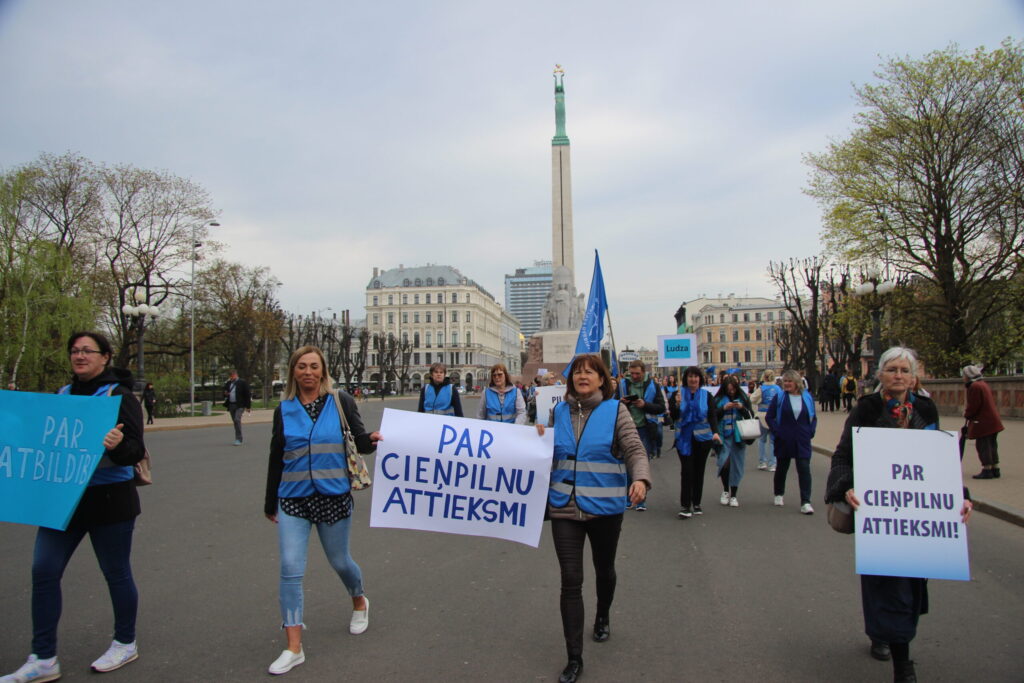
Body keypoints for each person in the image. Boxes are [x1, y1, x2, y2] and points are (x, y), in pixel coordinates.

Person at [2, 332, 146, 683]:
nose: (80, 356)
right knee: (44, 571)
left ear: (105, 357)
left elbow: (133, 452)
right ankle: (43, 657)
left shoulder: (119, 397)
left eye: (88, 351)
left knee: (116, 573)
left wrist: (117, 445)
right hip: (62, 502)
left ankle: (125, 642)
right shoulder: (62, 396)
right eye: (75, 351)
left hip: (110, 502)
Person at [826, 346, 974, 683]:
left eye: (904, 370)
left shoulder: (925, 407)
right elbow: (842, 456)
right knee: (886, 582)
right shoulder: (867, 409)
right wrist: (845, 487)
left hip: (916, 516)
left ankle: (886, 633)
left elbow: (940, 460)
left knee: (911, 583)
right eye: (891, 369)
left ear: (914, 376)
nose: (898, 376)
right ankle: (902, 664)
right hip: (878, 513)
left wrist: (960, 496)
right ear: (879, 375)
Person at [263, 346, 382, 676]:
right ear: (293, 371)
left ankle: (359, 600)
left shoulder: (341, 401)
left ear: (323, 371)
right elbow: (277, 455)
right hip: (293, 498)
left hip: (333, 495)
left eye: (314, 366)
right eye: (301, 366)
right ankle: (293, 646)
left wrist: (371, 439)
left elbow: (358, 439)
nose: (308, 372)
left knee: (340, 561)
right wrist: (270, 501)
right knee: (290, 567)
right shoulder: (283, 409)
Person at [535, 354, 650, 683]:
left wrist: (640, 479)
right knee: (570, 580)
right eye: (577, 373)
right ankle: (574, 658)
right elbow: (547, 451)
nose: (582, 376)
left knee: (605, 569)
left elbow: (634, 448)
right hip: (564, 506)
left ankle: (602, 614)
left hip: (604, 508)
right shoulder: (558, 411)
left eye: (590, 372)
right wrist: (538, 436)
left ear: (602, 379)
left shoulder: (616, 411)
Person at [671, 366, 720, 518]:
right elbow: (672, 417)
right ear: (685, 379)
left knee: (699, 471)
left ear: (700, 379)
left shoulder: (707, 396)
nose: (693, 379)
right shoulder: (677, 394)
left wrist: (715, 432)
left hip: (703, 439)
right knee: (687, 471)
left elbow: (712, 415)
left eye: (696, 376)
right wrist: (677, 404)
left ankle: (696, 502)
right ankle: (685, 505)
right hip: (684, 439)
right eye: (690, 377)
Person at [766, 369, 817, 514]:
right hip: (784, 438)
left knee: (804, 469)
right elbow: (770, 417)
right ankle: (779, 493)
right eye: (785, 381)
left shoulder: (807, 397)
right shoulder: (780, 397)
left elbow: (813, 417)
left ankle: (806, 501)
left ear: (797, 383)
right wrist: (777, 431)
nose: (787, 384)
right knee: (782, 467)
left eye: (789, 381)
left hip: (802, 438)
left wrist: (811, 431)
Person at [617, 361, 665, 511]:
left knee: (640, 463)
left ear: (644, 372)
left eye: (637, 373)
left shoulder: (653, 385)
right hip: (626, 428)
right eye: (632, 373)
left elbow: (661, 408)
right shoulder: (622, 385)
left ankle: (640, 499)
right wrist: (621, 403)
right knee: (625, 463)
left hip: (645, 428)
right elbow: (612, 404)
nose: (634, 376)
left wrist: (644, 405)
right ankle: (628, 497)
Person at [714, 375, 753, 507]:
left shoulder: (743, 398)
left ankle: (734, 494)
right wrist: (724, 408)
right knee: (724, 463)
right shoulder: (719, 399)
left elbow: (750, 415)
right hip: (723, 436)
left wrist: (741, 408)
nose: (731, 392)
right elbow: (712, 415)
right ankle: (725, 490)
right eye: (729, 389)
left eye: (733, 389)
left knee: (736, 465)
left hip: (738, 437)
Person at [961, 364, 1004, 479]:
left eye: (964, 375)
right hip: (992, 421)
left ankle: (987, 469)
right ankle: (995, 468)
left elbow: (974, 405)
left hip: (983, 422)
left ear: (968, 375)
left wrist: (967, 414)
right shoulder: (982, 384)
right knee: (992, 445)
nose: (963, 377)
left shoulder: (974, 386)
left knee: (983, 446)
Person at [750, 370, 780, 472]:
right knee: (773, 441)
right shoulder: (778, 389)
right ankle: (772, 464)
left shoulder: (761, 388)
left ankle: (762, 462)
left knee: (762, 440)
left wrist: (759, 401)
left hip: (762, 416)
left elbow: (752, 399)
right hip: (775, 418)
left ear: (764, 377)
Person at [223, 370, 252, 446]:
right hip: (231, 404)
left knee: (237, 419)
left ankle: (239, 439)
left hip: (240, 405)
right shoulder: (229, 383)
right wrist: (226, 393)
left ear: (236, 375)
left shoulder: (242, 382)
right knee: (235, 422)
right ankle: (238, 437)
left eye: (232, 376)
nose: (231, 377)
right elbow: (225, 391)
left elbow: (247, 394)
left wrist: (248, 406)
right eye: (230, 376)